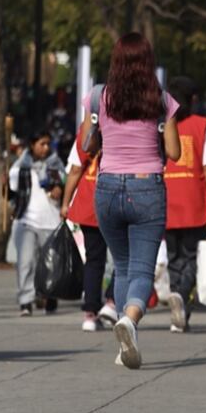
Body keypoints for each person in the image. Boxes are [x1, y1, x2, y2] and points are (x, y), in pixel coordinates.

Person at [91, 32, 182, 370]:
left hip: (107, 187)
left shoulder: (99, 96)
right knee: (142, 268)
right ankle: (129, 320)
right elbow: (174, 152)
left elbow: (88, 144)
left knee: (122, 264)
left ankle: (124, 341)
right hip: (147, 188)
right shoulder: (160, 100)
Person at [163, 77, 206, 333]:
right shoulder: (201, 125)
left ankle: (178, 301)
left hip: (166, 198)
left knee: (173, 255)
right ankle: (180, 297)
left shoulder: (161, 124)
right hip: (193, 201)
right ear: (193, 99)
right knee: (190, 256)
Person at [61, 120, 117, 332]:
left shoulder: (86, 132)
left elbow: (75, 170)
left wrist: (66, 203)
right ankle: (112, 302)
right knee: (124, 256)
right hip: (114, 201)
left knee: (94, 260)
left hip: (89, 203)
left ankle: (90, 314)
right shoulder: (123, 128)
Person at [10, 131, 66, 316]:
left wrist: (59, 188)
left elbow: (64, 185)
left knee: (51, 265)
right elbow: (11, 194)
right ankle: (26, 301)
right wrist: (5, 186)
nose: (46, 148)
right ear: (33, 144)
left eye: (48, 144)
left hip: (51, 221)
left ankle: (50, 297)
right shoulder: (19, 168)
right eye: (42, 143)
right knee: (25, 263)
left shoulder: (56, 166)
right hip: (26, 221)